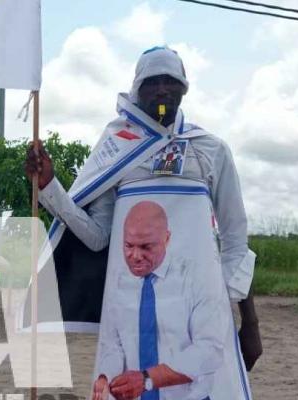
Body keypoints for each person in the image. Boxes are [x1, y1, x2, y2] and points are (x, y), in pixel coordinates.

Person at [24, 46, 262, 371]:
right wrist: (49, 186)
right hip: (131, 307)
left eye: (171, 81)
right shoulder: (116, 147)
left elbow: (235, 240)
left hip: (198, 308)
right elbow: (97, 238)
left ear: (184, 88)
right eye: (152, 82)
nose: (162, 89)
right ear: (137, 90)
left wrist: (250, 324)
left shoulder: (211, 149)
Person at [92, 201, 242, 400]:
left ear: (167, 238)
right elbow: (114, 345)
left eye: (146, 247)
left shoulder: (197, 280)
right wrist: (105, 377)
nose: (135, 256)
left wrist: (148, 379)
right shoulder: (118, 284)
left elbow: (208, 350)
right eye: (128, 246)